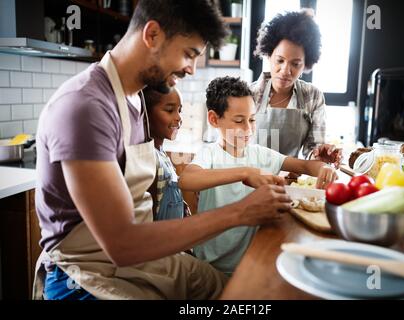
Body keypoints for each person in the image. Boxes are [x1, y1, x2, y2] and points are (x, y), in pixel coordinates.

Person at [34, 0, 292, 300]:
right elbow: (122, 244)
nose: (191, 68)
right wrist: (241, 212)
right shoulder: (85, 107)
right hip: (86, 276)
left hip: (139, 262)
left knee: (237, 292)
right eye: (189, 54)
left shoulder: (134, 101)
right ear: (152, 35)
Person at [178, 76, 337, 275]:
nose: (248, 129)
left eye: (252, 119)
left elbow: (305, 165)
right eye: (239, 121)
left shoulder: (260, 154)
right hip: (210, 267)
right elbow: (186, 180)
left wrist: (324, 168)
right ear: (213, 119)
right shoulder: (209, 154)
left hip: (247, 265)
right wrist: (245, 172)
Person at [251, 10, 342, 166]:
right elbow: (234, 148)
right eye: (280, 60)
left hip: (290, 181)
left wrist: (320, 156)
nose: (286, 71)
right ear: (268, 56)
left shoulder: (312, 96)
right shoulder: (248, 94)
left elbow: (312, 151)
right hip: (250, 180)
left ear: (305, 64)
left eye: (295, 64)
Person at [143, 87, 189, 220]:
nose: (178, 117)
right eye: (170, 110)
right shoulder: (150, 159)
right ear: (146, 113)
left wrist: (180, 204)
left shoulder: (161, 152)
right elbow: (149, 216)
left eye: (179, 110)